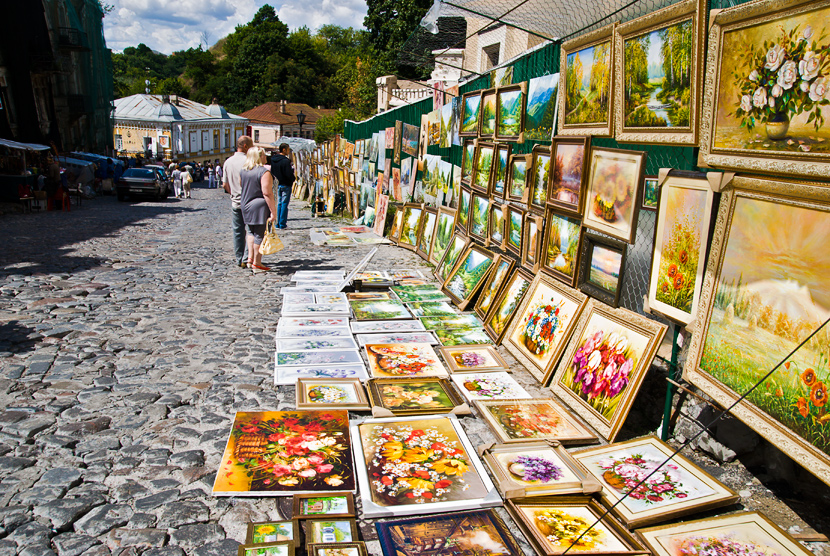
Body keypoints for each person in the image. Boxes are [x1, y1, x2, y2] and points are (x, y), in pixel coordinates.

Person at [240, 147, 276, 273]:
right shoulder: (263, 172)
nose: (266, 157)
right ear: (259, 156)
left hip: (245, 204)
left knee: (250, 232)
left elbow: (241, 185)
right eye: (264, 155)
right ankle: (257, 262)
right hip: (259, 205)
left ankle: (250, 259)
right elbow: (267, 193)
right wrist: (273, 211)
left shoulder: (243, 171)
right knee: (259, 234)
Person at [223, 136, 253, 268]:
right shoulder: (248, 160)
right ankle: (247, 257)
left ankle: (239, 257)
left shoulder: (228, 162)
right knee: (251, 230)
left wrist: (233, 194)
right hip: (249, 201)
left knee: (238, 231)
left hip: (235, 201)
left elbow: (224, 184)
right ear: (246, 146)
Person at [270, 143, 295, 229]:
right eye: (288, 149)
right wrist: (293, 178)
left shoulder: (273, 159)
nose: (289, 151)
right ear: (284, 149)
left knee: (278, 203)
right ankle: (282, 223)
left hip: (277, 184)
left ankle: (277, 223)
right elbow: (288, 173)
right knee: (284, 204)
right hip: (285, 184)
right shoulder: (285, 161)